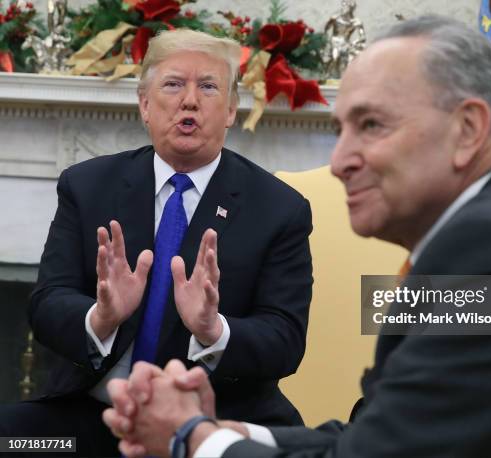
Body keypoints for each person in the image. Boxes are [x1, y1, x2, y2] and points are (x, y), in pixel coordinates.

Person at [103, 15, 491, 458]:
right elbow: (384, 431)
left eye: (370, 125)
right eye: (342, 129)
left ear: (467, 129)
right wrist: (229, 433)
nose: (341, 161)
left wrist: (191, 437)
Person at [0, 29, 312, 456]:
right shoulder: (88, 186)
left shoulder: (279, 209)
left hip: (214, 430)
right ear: (145, 105)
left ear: (231, 110)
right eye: (172, 84)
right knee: (13, 441)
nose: (189, 101)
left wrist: (212, 330)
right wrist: (101, 317)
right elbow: (47, 303)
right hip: (94, 421)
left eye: (208, 86)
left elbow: (285, 339)